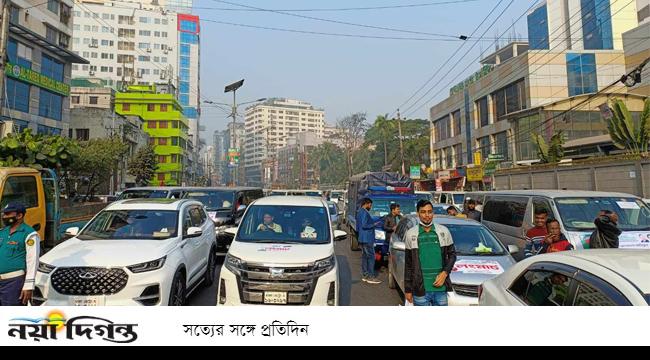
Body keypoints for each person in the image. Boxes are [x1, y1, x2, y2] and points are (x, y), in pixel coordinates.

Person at [405, 200, 457, 306]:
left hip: (441, 289)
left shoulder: (444, 231)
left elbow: (452, 255)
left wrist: (444, 274)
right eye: (423, 212)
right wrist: (408, 289)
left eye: (429, 211)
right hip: (420, 290)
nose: (427, 215)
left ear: (433, 212)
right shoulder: (411, 234)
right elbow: (408, 264)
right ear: (418, 213)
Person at [0, 202, 40, 306]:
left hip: (13, 283)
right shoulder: (2, 232)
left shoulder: (29, 234)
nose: (4, 217)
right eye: (4, 214)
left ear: (19, 215)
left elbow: (32, 260)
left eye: (8, 214)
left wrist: (28, 286)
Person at [356, 198, 381, 284]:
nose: (370, 206)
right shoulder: (364, 212)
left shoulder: (359, 212)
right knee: (371, 257)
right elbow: (364, 225)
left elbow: (358, 227)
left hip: (362, 238)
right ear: (366, 204)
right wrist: (373, 224)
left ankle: (365, 275)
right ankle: (370, 276)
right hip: (367, 238)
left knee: (365, 256)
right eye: (370, 205)